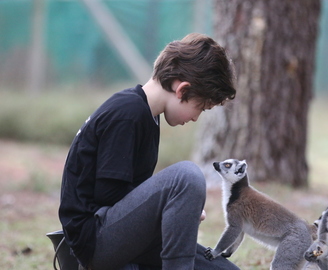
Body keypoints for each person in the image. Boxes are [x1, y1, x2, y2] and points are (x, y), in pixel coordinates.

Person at [58, 33, 239, 270]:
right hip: (96, 244)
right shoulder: (128, 113)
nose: (196, 118)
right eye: (200, 108)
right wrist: (172, 207)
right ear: (182, 90)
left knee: (223, 268)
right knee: (186, 177)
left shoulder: (148, 117)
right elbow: (108, 197)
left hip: (123, 240)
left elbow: (131, 200)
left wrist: (178, 212)